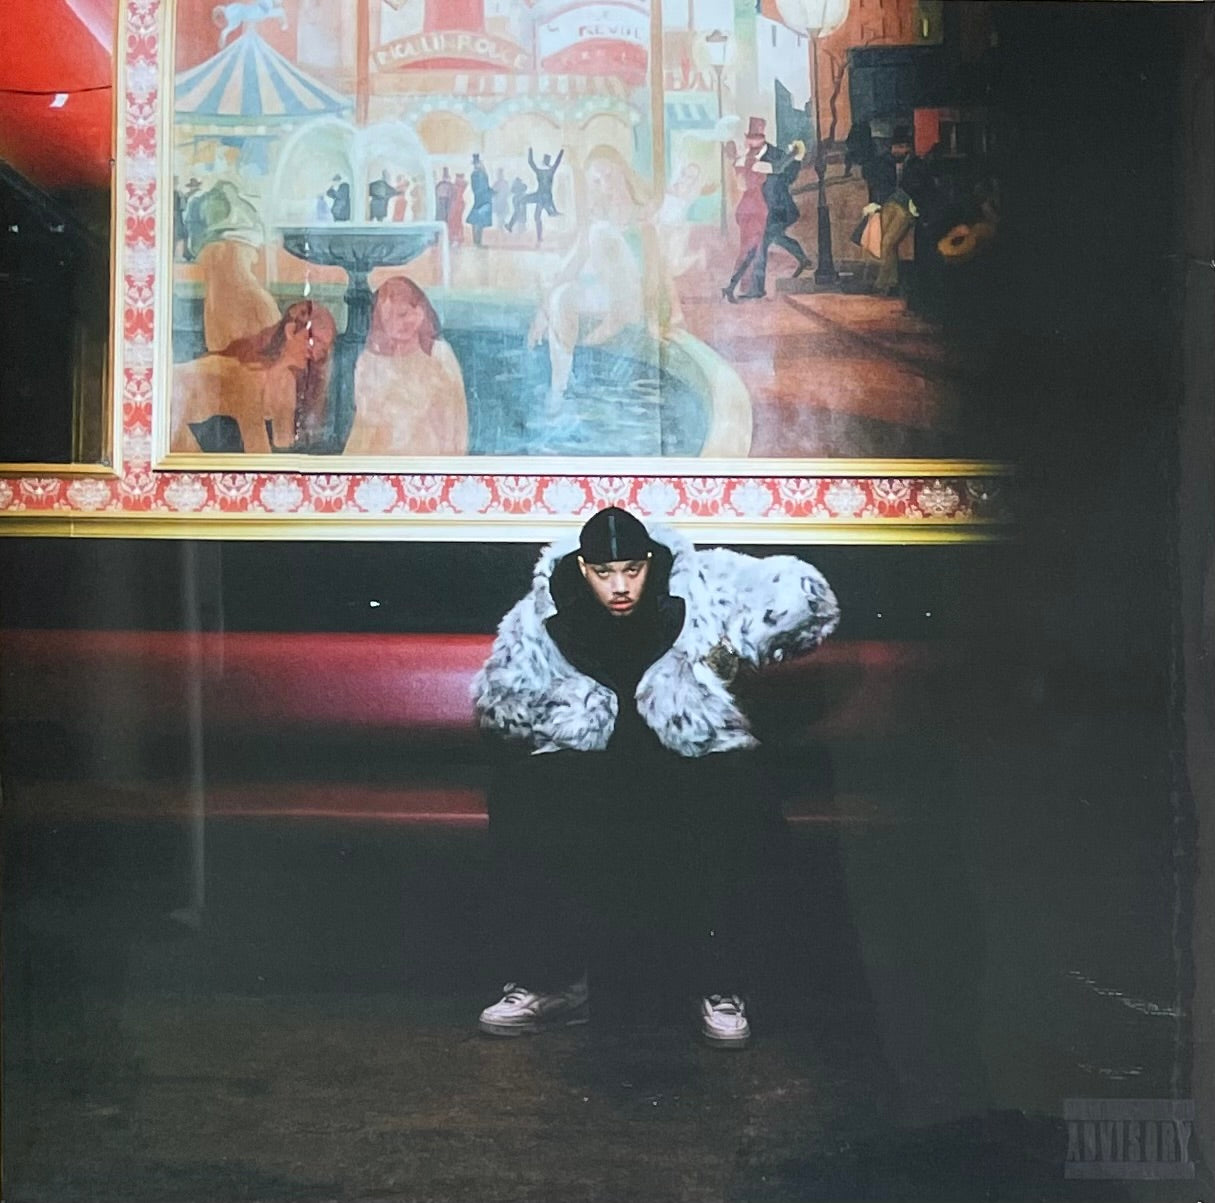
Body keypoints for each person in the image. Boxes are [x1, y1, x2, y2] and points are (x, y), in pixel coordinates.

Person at [472, 507, 839, 1047]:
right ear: (583, 568)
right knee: (526, 793)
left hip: (681, 755)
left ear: (650, 561)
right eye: (604, 573)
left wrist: (732, 649)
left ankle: (717, 985)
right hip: (592, 760)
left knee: (735, 791)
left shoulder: (699, 587)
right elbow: (502, 705)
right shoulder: (545, 611)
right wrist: (559, 713)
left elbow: (807, 600)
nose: (620, 587)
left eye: (632, 570)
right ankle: (553, 985)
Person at [171, 300, 337, 454]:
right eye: (313, 340)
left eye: (323, 349)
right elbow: (257, 452)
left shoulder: (286, 381)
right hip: (166, 412)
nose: (316, 354)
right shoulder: (250, 377)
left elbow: (284, 447)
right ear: (291, 331)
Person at [347, 276, 467, 456]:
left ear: (421, 310)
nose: (397, 324)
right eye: (387, 318)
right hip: (380, 459)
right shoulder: (369, 361)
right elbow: (364, 425)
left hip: (428, 459)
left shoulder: (439, 354)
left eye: (403, 314)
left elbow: (455, 417)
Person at [467, 154, 493, 247]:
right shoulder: (476, 174)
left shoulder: (482, 174)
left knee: (479, 221)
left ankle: (478, 241)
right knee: (477, 221)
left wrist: (490, 191)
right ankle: (477, 242)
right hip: (481, 200)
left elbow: (485, 186)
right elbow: (477, 188)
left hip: (483, 199)